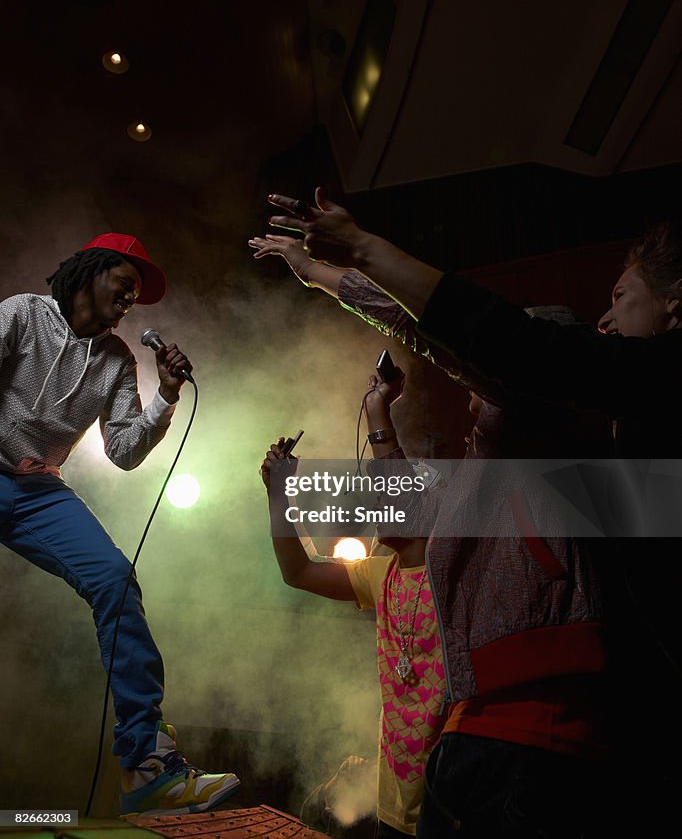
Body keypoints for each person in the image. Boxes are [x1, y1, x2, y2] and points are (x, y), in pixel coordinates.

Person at [264, 192, 682, 834]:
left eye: (621, 297)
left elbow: (482, 345)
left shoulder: (557, 437)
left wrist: (335, 270)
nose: (605, 318)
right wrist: (349, 437)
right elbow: (395, 504)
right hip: (480, 733)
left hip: (533, 743)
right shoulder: (490, 475)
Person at [0, 233, 239, 816]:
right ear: (93, 269)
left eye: (138, 294)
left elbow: (125, 451)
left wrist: (168, 394)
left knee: (114, 579)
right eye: (126, 282)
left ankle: (145, 764)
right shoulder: (23, 314)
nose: (132, 298)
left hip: (34, 491)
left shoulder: (116, 361)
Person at [261, 365, 446, 839]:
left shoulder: (453, 575)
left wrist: (376, 410)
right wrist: (279, 494)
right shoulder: (379, 572)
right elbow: (298, 571)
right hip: (393, 808)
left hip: (450, 801)